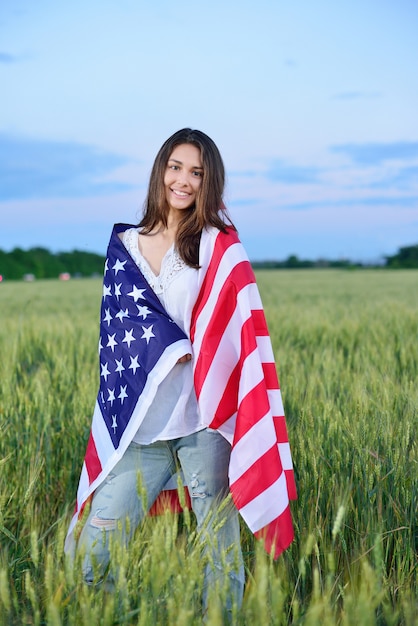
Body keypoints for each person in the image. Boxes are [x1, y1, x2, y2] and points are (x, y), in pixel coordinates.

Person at [65, 128, 297, 616]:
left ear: (208, 182)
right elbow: (118, 340)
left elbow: (239, 328)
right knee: (90, 557)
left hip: (204, 425)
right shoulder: (125, 246)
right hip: (141, 428)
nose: (184, 180)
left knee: (220, 558)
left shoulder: (218, 244)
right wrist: (172, 349)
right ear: (160, 170)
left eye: (197, 172)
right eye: (176, 167)